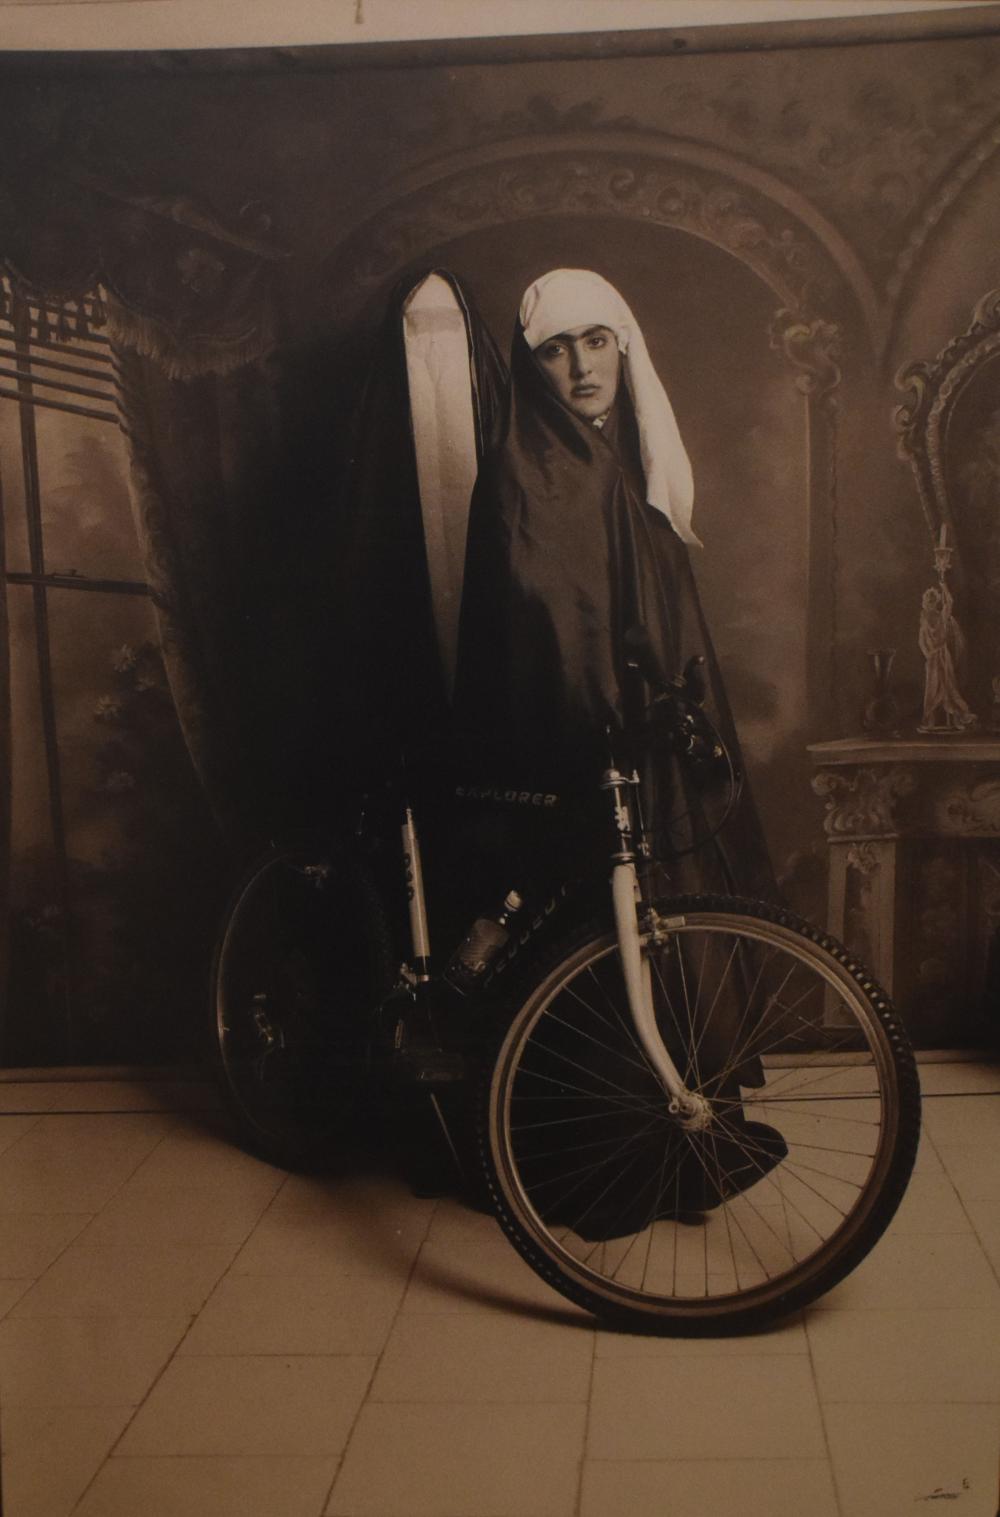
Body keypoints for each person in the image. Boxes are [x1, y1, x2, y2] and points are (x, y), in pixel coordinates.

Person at [454, 266, 775, 905]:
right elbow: (548, 625)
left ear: (622, 346)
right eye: (556, 349)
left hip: (656, 733)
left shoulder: (632, 463)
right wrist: (610, 727)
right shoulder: (523, 474)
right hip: (583, 740)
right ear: (533, 365)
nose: (582, 368)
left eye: (596, 341)